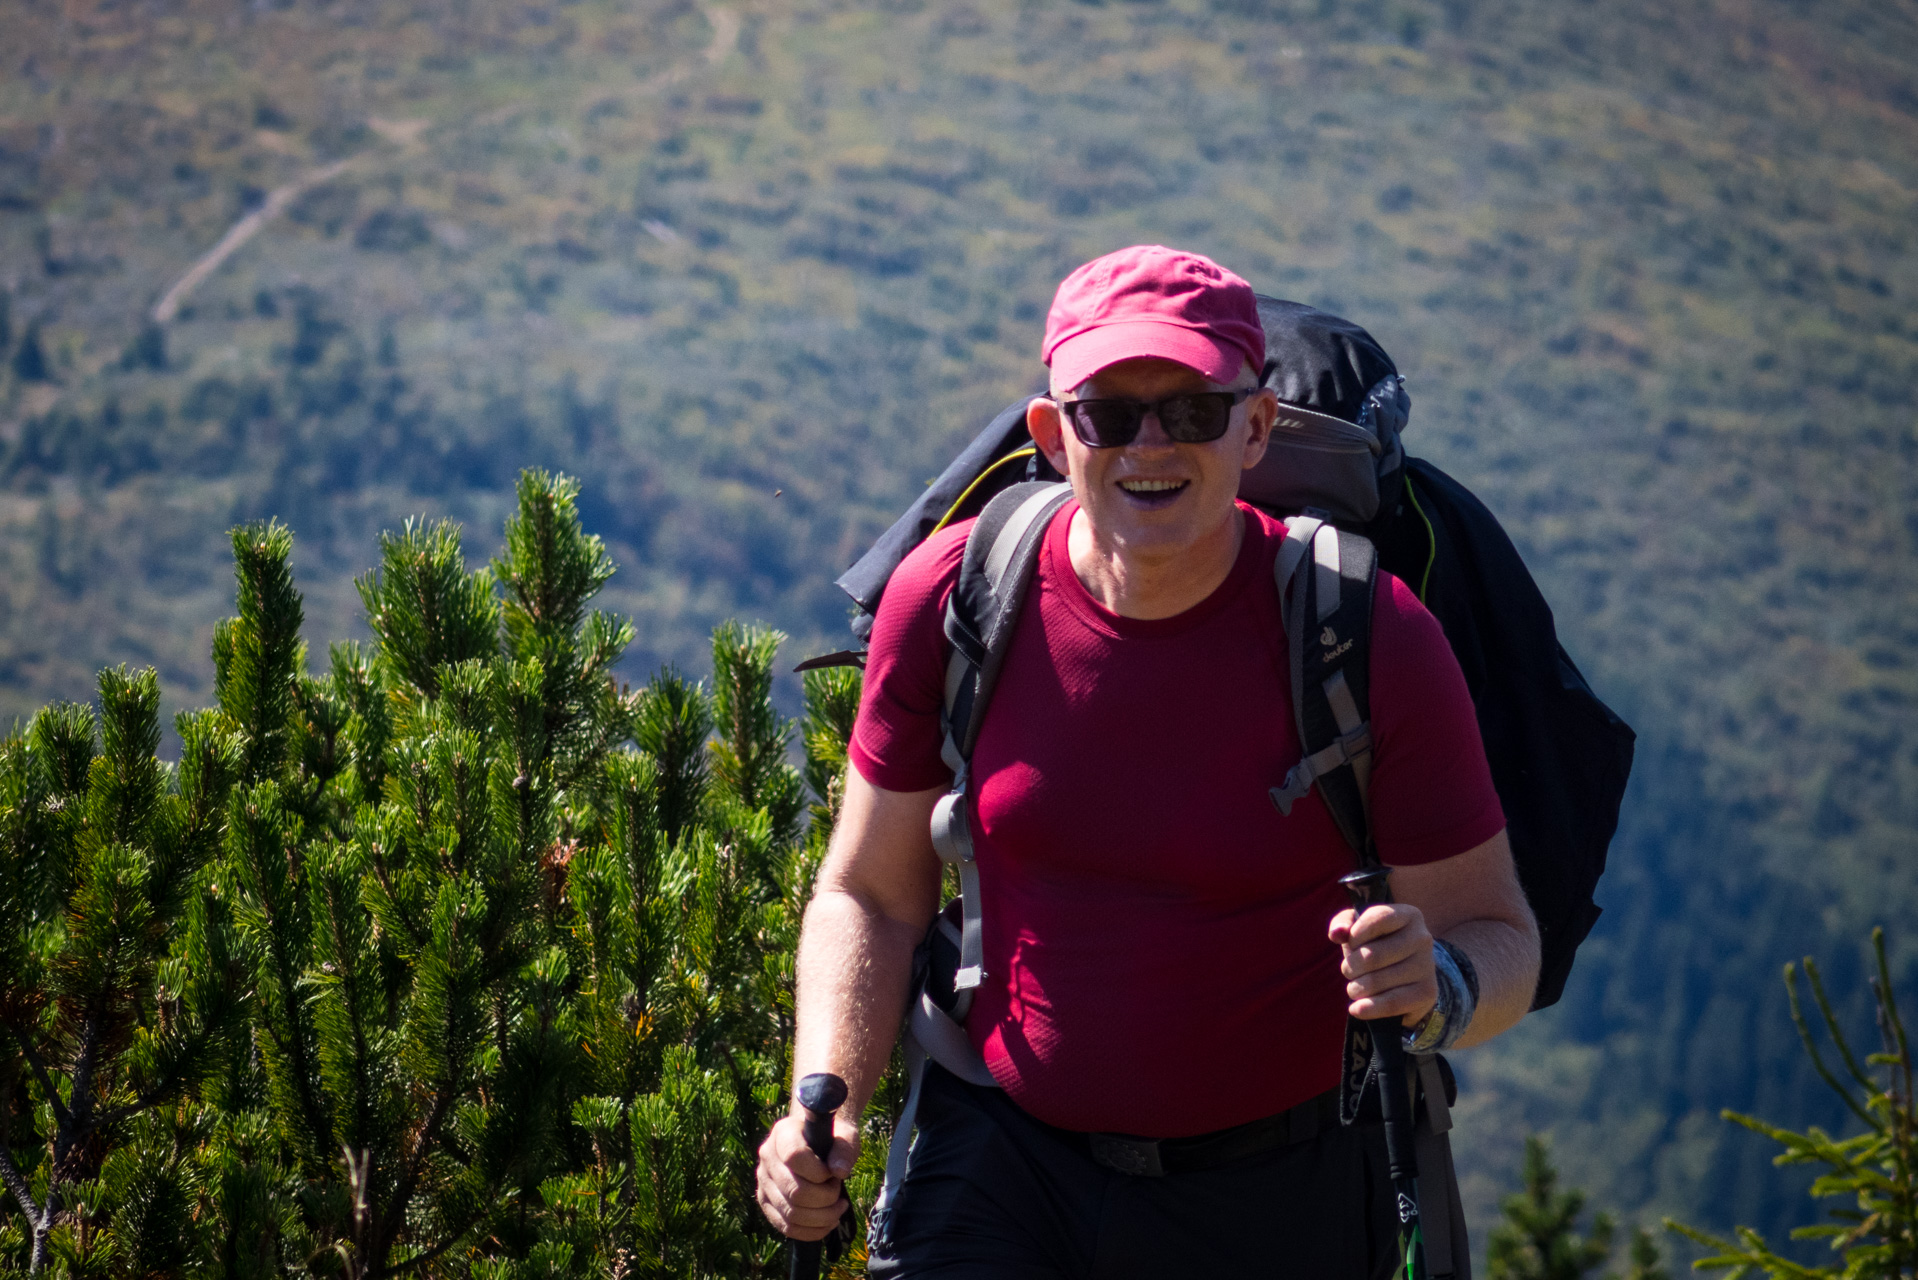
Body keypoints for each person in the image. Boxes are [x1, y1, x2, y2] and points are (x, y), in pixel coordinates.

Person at [756, 245, 1541, 1276]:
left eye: (1192, 411)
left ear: (1254, 427)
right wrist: (828, 1102)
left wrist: (1434, 982)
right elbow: (867, 891)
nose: (1149, 446)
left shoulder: (1362, 635)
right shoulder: (955, 599)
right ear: (1053, 432)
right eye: (1110, 415)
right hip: (1001, 1158)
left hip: (1277, 1191)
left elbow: (1501, 937)